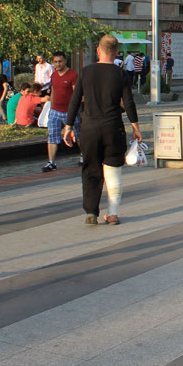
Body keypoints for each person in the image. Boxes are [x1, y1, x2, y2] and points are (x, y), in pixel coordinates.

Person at [63, 35, 141, 225]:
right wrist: (136, 127)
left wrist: (68, 126)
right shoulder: (120, 73)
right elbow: (129, 102)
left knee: (91, 169)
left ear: (98, 50)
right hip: (113, 128)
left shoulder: (86, 71)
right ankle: (112, 213)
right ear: (116, 53)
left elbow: (74, 100)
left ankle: (91, 211)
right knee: (113, 170)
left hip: (89, 128)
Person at [42, 51, 80, 172]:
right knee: (52, 136)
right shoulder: (53, 75)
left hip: (70, 112)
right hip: (55, 111)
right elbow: (53, 91)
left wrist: (77, 111)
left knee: (78, 135)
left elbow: (76, 95)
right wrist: (51, 107)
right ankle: (51, 162)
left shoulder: (73, 75)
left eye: (60, 61)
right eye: (55, 62)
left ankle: (84, 156)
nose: (57, 64)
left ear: (65, 61)